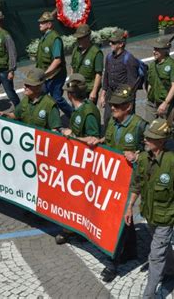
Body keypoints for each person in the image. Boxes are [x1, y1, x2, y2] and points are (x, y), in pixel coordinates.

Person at [124, 118, 174, 299]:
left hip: (165, 216)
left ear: (161, 141)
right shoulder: (144, 159)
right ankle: (172, 268)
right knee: (161, 246)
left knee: (155, 255)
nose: (145, 140)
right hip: (149, 213)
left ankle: (149, 294)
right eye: (146, 137)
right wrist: (129, 206)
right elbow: (136, 185)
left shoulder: (173, 163)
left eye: (150, 138)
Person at [87, 85, 147, 281]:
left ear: (128, 106)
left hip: (130, 181)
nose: (113, 108)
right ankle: (131, 250)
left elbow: (156, 149)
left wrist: (137, 155)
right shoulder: (112, 122)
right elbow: (110, 142)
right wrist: (99, 140)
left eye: (117, 105)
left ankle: (112, 263)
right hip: (111, 180)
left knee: (117, 218)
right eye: (112, 105)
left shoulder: (140, 125)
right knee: (122, 218)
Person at [54, 74, 101, 245]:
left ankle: (74, 229)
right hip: (75, 160)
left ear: (70, 95)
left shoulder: (88, 112)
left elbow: (93, 140)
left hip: (83, 163)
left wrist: (71, 135)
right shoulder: (82, 109)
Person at [146, 35, 174, 157]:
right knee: (150, 126)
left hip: (165, 102)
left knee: (170, 127)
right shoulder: (152, 65)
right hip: (152, 101)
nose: (154, 51)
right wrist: (149, 95)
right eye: (154, 48)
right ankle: (158, 147)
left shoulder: (173, 65)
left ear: (165, 51)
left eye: (158, 49)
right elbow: (150, 83)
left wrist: (165, 103)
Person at [0, 67, 62, 131]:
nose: (24, 87)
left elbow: (55, 131)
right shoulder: (25, 100)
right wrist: (4, 114)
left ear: (38, 87)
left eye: (28, 85)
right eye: (25, 84)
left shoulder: (50, 105)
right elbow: (15, 115)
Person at [36, 11, 73, 117]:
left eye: (43, 22)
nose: (40, 24)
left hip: (56, 75)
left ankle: (72, 115)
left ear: (49, 24)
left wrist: (45, 74)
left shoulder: (55, 38)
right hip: (46, 76)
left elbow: (57, 60)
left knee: (56, 99)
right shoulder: (45, 37)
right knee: (41, 97)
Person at [100, 28, 140, 124]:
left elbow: (132, 84)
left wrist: (125, 101)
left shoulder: (129, 59)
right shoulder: (109, 57)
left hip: (123, 96)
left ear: (121, 44)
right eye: (110, 42)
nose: (110, 44)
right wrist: (103, 94)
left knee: (125, 122)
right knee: (107, 120)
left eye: (113, 43)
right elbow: (106, 76)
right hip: (110, 93)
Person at [70, 24, 103, 104]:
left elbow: (98, 74)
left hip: (88, 89)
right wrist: (71, 82)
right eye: (78, 38)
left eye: (81, 38)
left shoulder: (96, 52)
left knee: (88, 112)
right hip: (77, 88)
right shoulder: (76, 50)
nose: (79, 40)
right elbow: (72, 67)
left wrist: (94, 91)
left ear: (88, 37)